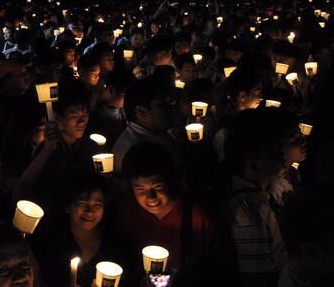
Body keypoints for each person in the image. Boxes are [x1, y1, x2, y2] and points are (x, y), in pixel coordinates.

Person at [118, 142, 228, 272]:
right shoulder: (127, 213)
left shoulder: (198, 217)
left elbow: (219, 264)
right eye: (141, 189)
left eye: (157, 186)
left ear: (171, 180)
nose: (150, 197)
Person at [224, 109, 292, 287]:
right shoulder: (251, 214)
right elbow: (256, 278)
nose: (282, 156)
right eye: (274, 152)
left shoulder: (266, 194)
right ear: (253, 163)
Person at [112, 75, 177, 172]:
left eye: (170, 104)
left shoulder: (158, 134)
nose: (171, 110)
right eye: (162, 106)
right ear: (141, 111)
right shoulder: (136, 151)